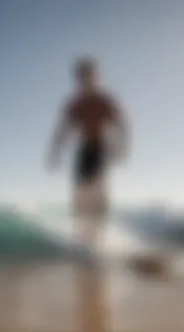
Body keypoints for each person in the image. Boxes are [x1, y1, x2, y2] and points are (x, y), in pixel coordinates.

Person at [47, 57, 129, 250]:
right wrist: (55, 152)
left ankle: (100, 237)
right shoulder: (74, 104)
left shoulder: (104, 100)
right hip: (84, 149)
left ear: (95, 77)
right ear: (77, 79)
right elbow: (62, 130)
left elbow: (122, 124)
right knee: (79, 194)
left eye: (89, 76)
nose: (85, 80)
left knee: (99, 190)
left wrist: (121, 147)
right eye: (81, 76)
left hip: (101, 146)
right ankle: (81, 237)